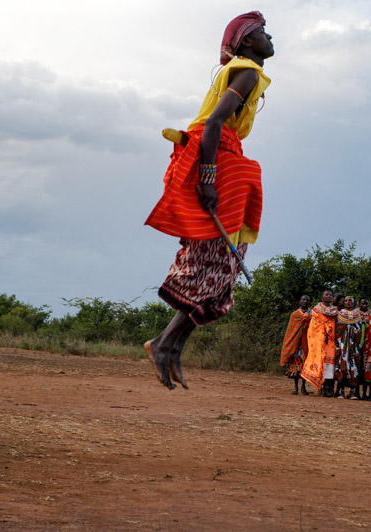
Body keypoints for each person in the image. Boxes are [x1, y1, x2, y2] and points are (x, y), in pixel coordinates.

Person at [144, 12, 274, 389]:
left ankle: (171, 344)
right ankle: (164, 345)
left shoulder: (246, 71)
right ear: (248, 42)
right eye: (263, 33)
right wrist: (208, 178)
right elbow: (214, 124)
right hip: (214, 156)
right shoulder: (246, 70)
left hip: (228, 159)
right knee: (216, 261)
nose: (270, 37)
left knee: (223, 266)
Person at [301, 290, 338, 397]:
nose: (329, 296)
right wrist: (324, 328)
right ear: (322, 297)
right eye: (326, 294)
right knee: (319, 361)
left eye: (331, 295)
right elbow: (314, 326)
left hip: (330, 341)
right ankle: (320, 387)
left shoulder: (335, 311)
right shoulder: (316, 310)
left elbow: (337, 325)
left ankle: (328, 388)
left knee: (329, 364)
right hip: (318, 341)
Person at [279, 295, 312, 395]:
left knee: (305, 367)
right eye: (303, 299)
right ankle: (295, 387)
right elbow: (291, 332)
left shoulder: (313, 315)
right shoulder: (295, 315)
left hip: (307, 344)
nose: (305, 301)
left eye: (307, 300)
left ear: (309, 302)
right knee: (295, 367)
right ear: (300, 301)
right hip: (296, 345)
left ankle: (303, 387)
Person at [334, 296, 361, 399]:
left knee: (353, 368)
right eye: (346, 301)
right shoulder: (339, 314)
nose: (348, 302)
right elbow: (336, 330)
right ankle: (341, 392)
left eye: (350, 301)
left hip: (353, 347)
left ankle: (352, 392)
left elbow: (359, 331)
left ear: (354, 303)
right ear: (343, 303)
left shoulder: (357, 315)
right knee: (341, 367)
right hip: (342, 347)